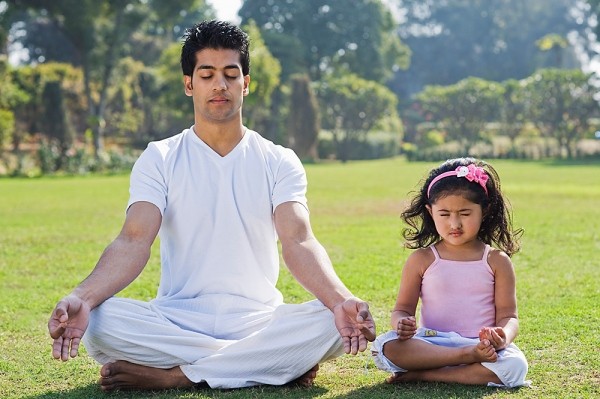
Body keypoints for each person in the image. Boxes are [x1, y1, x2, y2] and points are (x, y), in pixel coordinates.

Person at [48, 20, 375, 392]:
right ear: (189, 84)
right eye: (207, 74)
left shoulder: (279, 159)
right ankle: (266, 364)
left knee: (327, 320)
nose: (220, 85)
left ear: (245, 83)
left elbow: (298, 240)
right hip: (176, 319)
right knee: (101, 321)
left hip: (259, 319)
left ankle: (178, 375)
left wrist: (341, 300)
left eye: (230, 74)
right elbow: (133, 240)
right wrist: (81, 297)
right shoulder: (160, 157)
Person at [371, 157, 529, 388]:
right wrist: (401, 323)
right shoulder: (422, 259)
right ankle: (464, 360)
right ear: (430, 211)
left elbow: (509, 316)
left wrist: (502, 336)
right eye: (444, 214)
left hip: (481, 345)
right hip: (432, 343)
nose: (454, 224)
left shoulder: (496, 261)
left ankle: (427, 374)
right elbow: (402, 309)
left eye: (465, 214)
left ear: (484, 211)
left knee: (515, 367)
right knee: (388, 346)